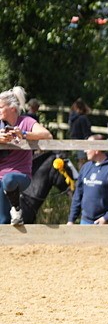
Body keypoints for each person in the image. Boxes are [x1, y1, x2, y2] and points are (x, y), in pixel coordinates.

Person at [0, 86, 52, 225]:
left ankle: (17, 208)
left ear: (12, 108)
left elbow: (48, 135)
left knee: (8, 179)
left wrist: (23, 134)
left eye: (0, 107)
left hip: (20, 175)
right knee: (3, 220)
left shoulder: (26, 122)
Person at [68, 135, 108, 225]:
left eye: (88, 147)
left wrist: (106, 217)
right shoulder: (85, 168)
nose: (85, 151)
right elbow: (78, 195)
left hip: (104, 224)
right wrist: (71, 220)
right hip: (85, 221)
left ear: (97, 149)